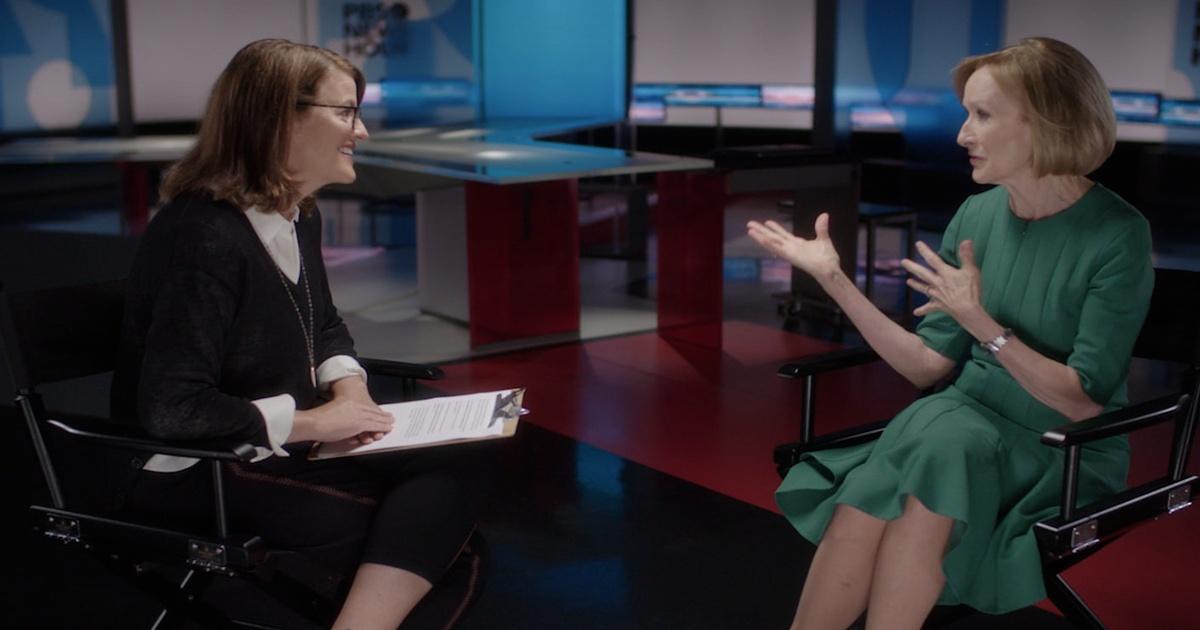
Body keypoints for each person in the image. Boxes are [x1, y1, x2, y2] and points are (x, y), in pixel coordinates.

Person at [747, 37, 1152, 629]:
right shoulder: (975, 216)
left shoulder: (1118, 234)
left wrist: (983, 326)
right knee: (923, 453)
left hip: (1059, 445)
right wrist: (834, 280)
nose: (963, 134)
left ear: (1047, 122)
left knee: (933, 452)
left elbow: (1083, 399)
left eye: (982, 115)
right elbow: (928, 368)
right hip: (961, 422)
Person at [111, 39, 482, 629]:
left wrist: (351, 394)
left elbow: (324, 324)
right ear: (278, 118)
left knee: (463, 463)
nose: (360, 132)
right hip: (196, 467)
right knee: (441, 539)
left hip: (269, 446)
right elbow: (172, 408)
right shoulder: (203, 236)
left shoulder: (294, 212)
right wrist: (314, 424)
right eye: (345, 112)